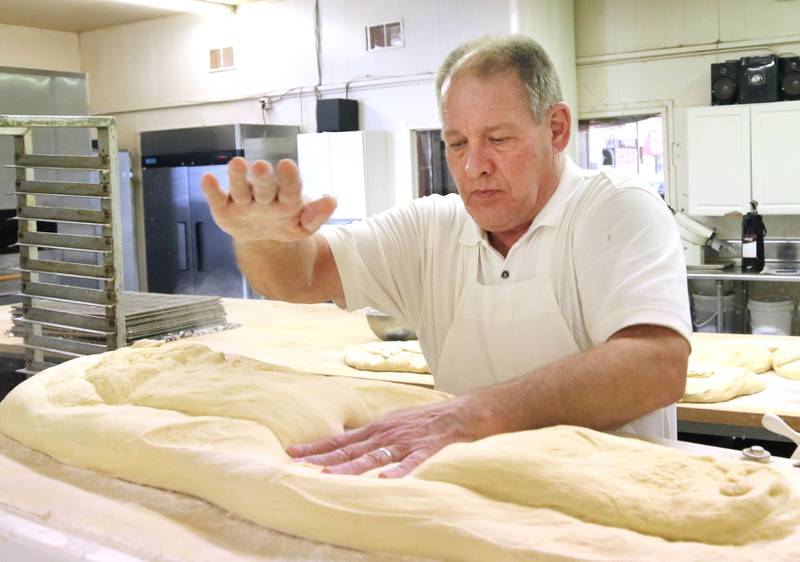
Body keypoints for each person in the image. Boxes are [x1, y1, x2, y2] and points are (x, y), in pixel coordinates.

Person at [201, 34, 691, 479]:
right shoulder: (430, 229)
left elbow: (656, 366)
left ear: (556, 129)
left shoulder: (615, 209)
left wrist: (472, 416)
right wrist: (263, 238)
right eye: (457, 144)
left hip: (615, 502)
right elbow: (302, 276)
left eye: (498, 139)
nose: (474, 165)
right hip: (472, 497)